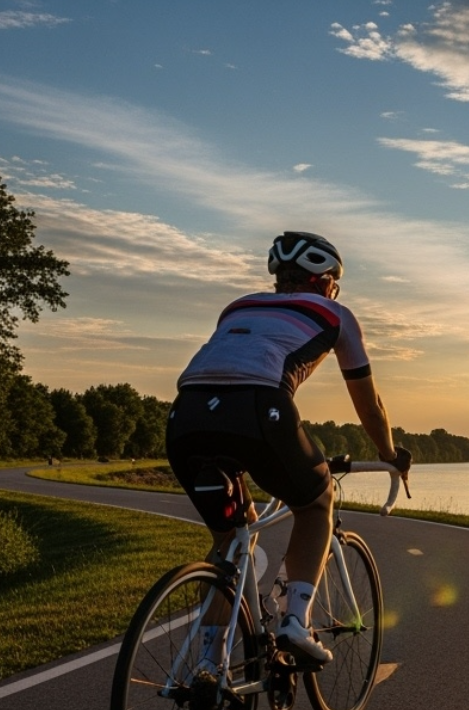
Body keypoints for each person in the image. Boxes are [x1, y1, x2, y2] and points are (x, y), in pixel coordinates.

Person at [166, 231, 410, 669]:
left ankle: (208, 664)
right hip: (259, 409)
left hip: (185, 416)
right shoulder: (335, 314)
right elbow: (370, 407)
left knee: (229, 539)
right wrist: (390, 453)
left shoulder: (237, 307)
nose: (335, 292)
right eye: (335, 284)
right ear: (325, 281)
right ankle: (295, 621)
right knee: (317, 502)